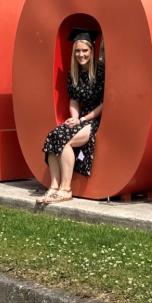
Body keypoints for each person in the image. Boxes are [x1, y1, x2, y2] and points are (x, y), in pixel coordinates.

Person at [38, 28, 105, 204]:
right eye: (77, 51)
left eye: (85, 51)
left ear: (91, 50)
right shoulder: (73, 74)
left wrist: (83, 119)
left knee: (66, 141)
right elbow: (74, 100)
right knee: (53, 137)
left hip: (97, 119)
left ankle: (65, 189)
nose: (81, 54)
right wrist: (75, 117)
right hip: (81, 118)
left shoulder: (100, 72)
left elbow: (104, 103)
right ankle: (53, 187)